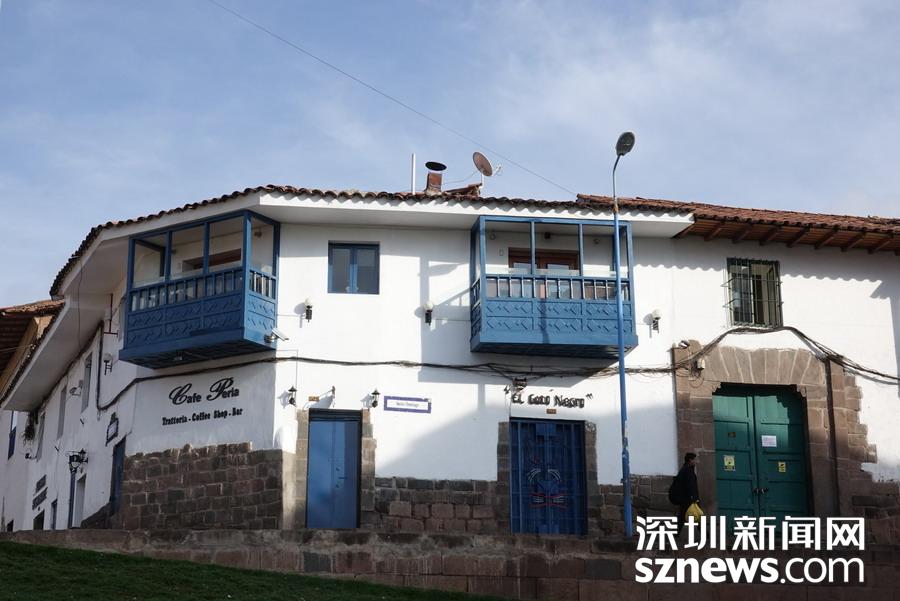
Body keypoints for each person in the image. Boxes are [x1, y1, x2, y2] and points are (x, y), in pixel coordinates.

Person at [668, 452, 699, 534]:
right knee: (697, 514)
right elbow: (690, 485)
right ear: (690, 460)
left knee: (682, 516)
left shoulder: (686, 469)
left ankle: (677, 532)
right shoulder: (687, 470)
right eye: (694, 459)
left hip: (687, 497)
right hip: (689, 498)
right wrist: (694, 497)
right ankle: (705, 533)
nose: (696, 461)